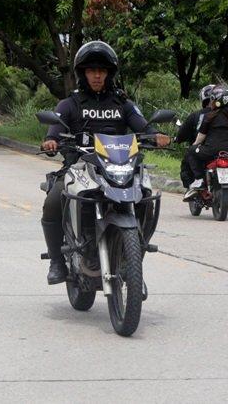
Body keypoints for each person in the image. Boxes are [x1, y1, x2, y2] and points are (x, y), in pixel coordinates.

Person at [40, 42, 169, 285]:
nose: (97, 75)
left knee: (145, 194)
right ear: (83, 73)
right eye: (91, 70)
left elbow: (144, 127)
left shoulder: (122, 104)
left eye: (102, 70)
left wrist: (157, 136)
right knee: (53, 202)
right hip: (80, 168)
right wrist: (50, 141)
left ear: (109, 73)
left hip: (118, 167)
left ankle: (133, 260)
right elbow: (54, 130)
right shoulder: (70, 104)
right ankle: (57, 261)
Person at [185, 85, 228, 203]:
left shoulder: (209, 116)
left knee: (191, 151)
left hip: (211, 151)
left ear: (216, 101)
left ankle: (199, 179)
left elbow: (201, 137)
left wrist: (195, 146)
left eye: (212, 99)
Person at [175, 85, 215, 188]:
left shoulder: (196, 115)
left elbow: (182, 134)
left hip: (202, 150)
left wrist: (177, 139)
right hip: (225, 149)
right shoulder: (226, 115)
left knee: (187, 162)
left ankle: (196, 183)